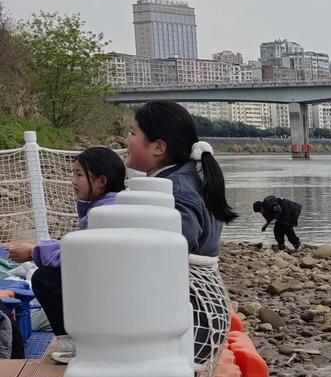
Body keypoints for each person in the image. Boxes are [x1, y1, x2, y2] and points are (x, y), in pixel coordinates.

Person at [5, 146, 127, 363]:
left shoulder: (105, 213)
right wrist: (37, 247)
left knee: (44, 278)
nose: (73, 181)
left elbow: (78, 254)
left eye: (79, 174)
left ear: (101, 181)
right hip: (110, 286)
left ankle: (77, 344)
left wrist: (34, 251)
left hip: (109, 292)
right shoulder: (109, 205)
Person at [125, 100, 236, 255]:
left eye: (132, 133)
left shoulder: (176, 190)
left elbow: (176, 246)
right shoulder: (188, 178)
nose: (127, 139)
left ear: (158, 147)